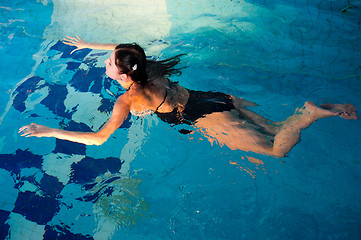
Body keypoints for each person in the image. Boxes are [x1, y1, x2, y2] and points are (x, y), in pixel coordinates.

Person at [19, 36, 358, 157]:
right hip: (212, 98)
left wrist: (50, 131)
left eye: (109, 63)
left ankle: (313, 112)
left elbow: (98, 140)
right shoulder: (147, 67)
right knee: (275, 127)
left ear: (124, 75)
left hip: (205, 116)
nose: (105, 63)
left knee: (274, 150)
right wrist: (90, 45)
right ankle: (318, 112)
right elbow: (126, 49)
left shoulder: (128, 100)